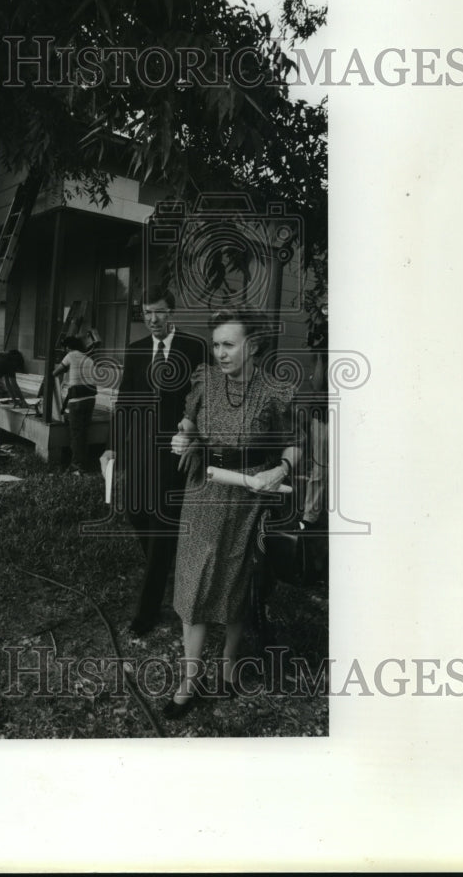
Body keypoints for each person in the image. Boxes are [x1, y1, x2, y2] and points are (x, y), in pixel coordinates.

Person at [164, 308, 302, 720]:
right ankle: (189, 681)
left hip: (250, 496)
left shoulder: (276, 392)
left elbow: (294, 443)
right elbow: (188, 424)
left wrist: (281, 469)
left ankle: (226, 668)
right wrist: (182, 438)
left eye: (229, 344)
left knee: (238, 581)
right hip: (205, 490)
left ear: (253, 345)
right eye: (216, 345)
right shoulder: (205, 380)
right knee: (196, 581)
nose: (220, 353)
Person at [100, 286, 209, 636]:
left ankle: (146, 613)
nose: (152, 319)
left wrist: (196, 438)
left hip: (176, 451)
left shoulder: (193, 348)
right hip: (140, 451)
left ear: (171, 312)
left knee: (161, 526)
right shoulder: (135, 352)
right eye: (147, 313)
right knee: (136, 511)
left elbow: (204, 398)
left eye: (159, 312)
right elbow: (125, 404)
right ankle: (163, 566)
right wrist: (113, 446)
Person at [52, 336, 98, 474]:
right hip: (90, 399)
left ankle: (77, 466)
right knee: (84, 432)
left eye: (64, 348)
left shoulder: (70, 355)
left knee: (76, 434)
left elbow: (55, 373)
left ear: (68, 347)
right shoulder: (88, 358)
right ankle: (84, 462)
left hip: (77, 400)